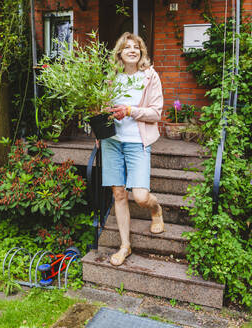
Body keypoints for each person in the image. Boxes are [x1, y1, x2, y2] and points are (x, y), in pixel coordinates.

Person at [102, 32, 164, 266]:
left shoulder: (149, 76)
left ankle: (156, 208)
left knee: (139, 196)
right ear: (119, 52)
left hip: (138, 142)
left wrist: (130, 110)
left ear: (141, 53)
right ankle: (124, 245)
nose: (132, 50)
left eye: (136, 47)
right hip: (112, 141)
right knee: (119, 194)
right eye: (127, 47)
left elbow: (156, 112)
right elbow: (100, 106)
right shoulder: (112, 77)